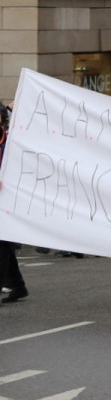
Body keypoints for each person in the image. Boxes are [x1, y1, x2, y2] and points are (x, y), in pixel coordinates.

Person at [0, 111, 28, 304]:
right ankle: (18, 286)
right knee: (5, 247)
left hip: (6, 201)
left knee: (1, 245)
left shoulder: (11, 142)